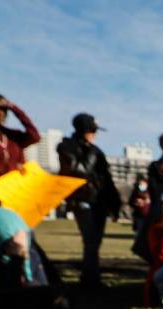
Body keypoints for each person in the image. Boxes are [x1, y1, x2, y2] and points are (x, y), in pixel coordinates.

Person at [57, 112, 121, 290]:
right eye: (92, 130)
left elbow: (106, 180)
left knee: (95, 242)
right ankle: (91, 281)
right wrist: (89, 152)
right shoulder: (66, 147)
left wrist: (114, 204)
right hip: (82, 199)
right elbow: (78, 170)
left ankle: (90, 276)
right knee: (91, 240)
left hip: (99, 201)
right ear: (83, 130)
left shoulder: (97, 151)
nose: (95, 135)